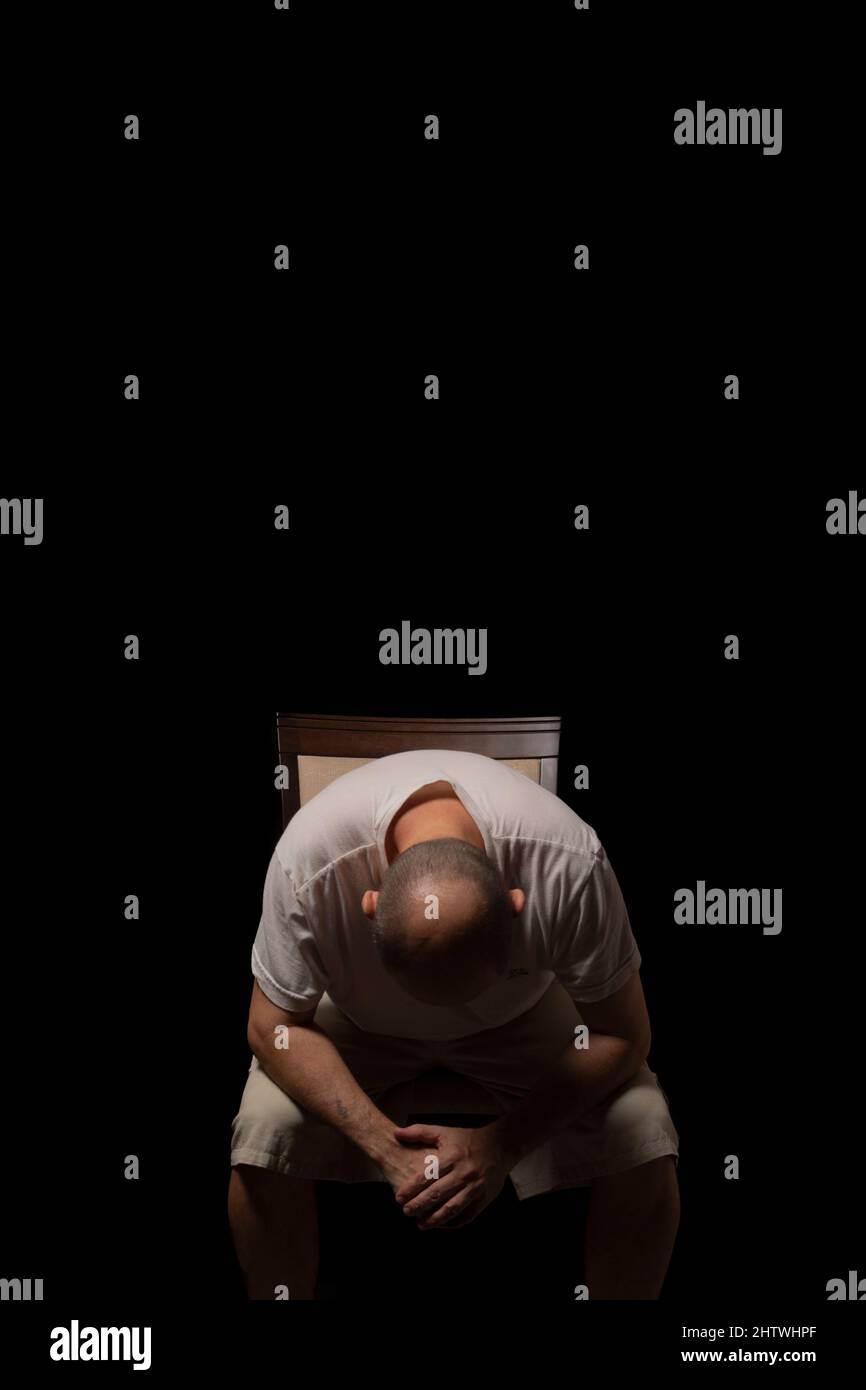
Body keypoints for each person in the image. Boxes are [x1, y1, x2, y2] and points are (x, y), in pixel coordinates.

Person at [228, 749, 680, 1298]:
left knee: (642, 1124)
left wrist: (502, 1144)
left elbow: (624, 1033)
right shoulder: (309, 862)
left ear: (517, 904)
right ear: (369, 905)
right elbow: (270, 1027)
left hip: (520, 1018)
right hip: (358, 1025)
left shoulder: (569, 862)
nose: (441, 1017)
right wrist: (384, 1146)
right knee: (263, 1128)